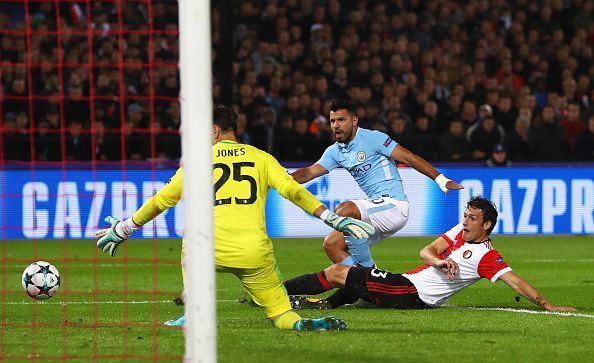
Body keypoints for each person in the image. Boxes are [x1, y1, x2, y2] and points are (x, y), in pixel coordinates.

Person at [95, 105, 375, 331]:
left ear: (214, 130)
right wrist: (331, 218)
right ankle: (301, 324)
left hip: (209, 249)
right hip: (255, 253)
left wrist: (124, 228)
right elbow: (292, 190)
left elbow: (161, 201)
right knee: (281, 316)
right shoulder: (261, 157)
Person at [285, 196, 576, 313]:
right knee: (353, 285)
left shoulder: (486, 256)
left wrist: (547, 305)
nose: (465, 222)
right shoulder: (459, 233)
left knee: (339, 272)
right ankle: (318, 305)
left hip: (412, 295)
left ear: (487, 225)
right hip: (404, 284)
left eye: (472, 218)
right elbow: (427, 250)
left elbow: (515, 282)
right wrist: (437, 260)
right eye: (465, 216)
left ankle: (275, 292)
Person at [290, 99, 463, 270]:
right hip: (375, 212)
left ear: (354, 120)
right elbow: (309, 172)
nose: (336, 125)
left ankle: (369, 274)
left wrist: (441, 179)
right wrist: (283, 178)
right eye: (333, 121)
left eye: (341, 120)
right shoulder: (334, 151)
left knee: (345, 210)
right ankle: (365, 290)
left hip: (394, 206)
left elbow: (408, 157)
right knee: (331, 245)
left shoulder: (373, 138)